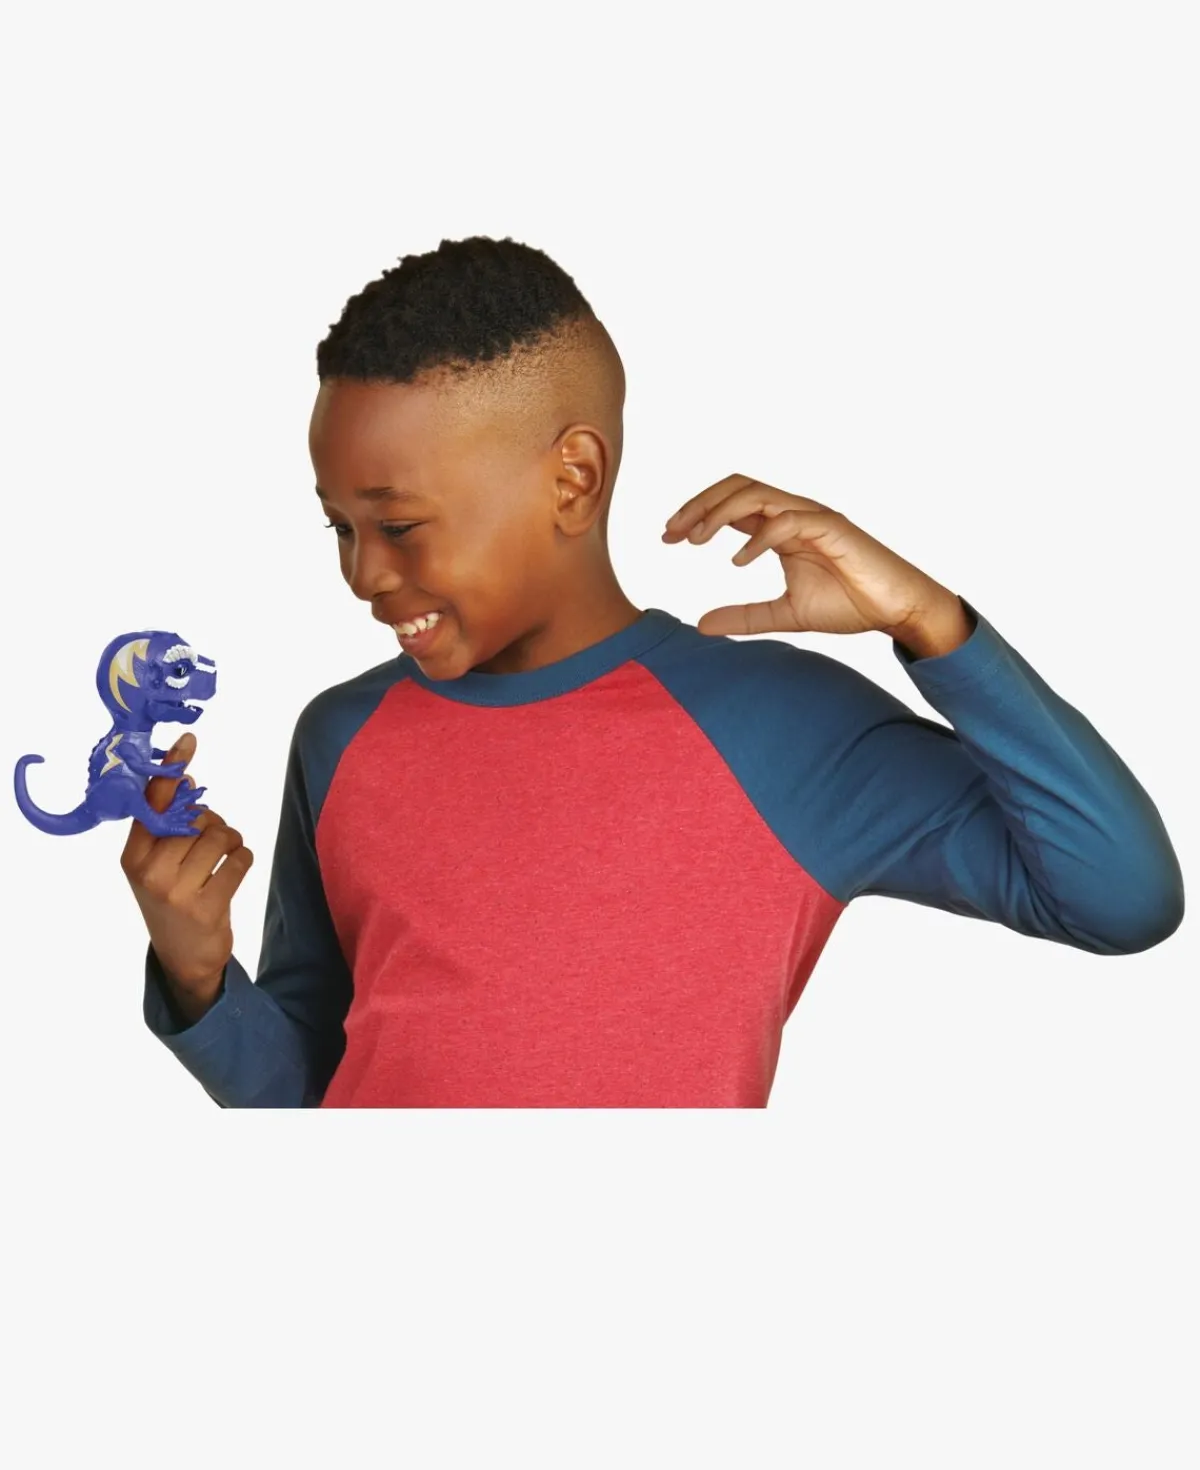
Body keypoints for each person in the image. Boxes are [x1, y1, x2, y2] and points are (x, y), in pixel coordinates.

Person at [125, 234, 1185, 1108]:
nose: (363, 574)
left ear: (573, 480)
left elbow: (1119, 897)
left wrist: (932, 624)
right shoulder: (341, 735)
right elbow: (311, 1090)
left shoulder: (777, 727)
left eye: (397, 526)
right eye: (340, 528)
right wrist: (198, 977)